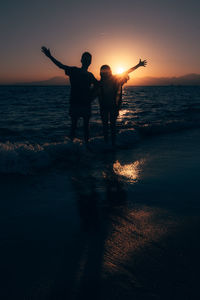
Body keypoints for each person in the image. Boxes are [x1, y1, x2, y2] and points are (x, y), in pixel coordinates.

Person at [41, 47, 98, 143]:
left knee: (86, 128)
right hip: (75, 103)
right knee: (73, 126)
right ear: (81, 60)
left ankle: (87, 146)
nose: (87, 61)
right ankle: (71, 147)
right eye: (85, 59)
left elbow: (99, 86)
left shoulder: (90, 75)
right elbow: (60, 65)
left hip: (86, 104)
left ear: (90, 62)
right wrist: (50, 56)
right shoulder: (74, 70)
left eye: (88, 60)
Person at [98, 59, 147, 146]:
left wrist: (138, 65)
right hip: (104, 107)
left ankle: (112, 145)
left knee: (112, 126)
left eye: (106, 71)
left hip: (113, 106)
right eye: (103, 71)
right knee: (105, 126)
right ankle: (107, 144)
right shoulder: (99, 83)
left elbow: (127, 72)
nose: (105, 73)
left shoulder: (114, 79)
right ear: (101, 73)